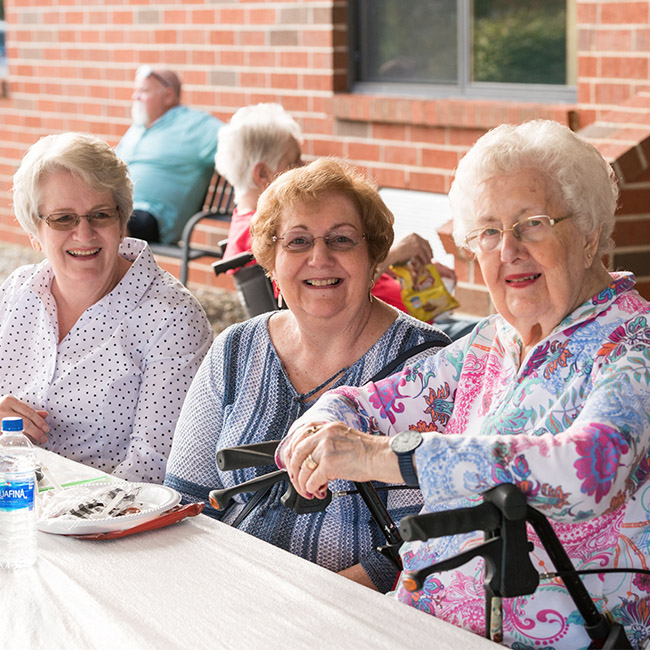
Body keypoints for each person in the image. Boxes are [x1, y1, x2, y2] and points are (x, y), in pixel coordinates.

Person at [278, 121, 650, 649]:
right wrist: (323, 421)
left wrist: (390, 457)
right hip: (424, 620)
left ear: (589, 233)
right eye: (489, 232)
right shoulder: (491, 342)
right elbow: (369, 402)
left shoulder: (634, 342)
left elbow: (589, 467)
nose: (510, 250)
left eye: (533, 224)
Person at [165, 157, 450, 593]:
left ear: (374, 257)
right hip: (230, 592)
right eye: (298, 241)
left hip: (360, 612)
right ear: (271, 262)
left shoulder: (424, 364)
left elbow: (418, 539)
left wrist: (303, 608)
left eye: (341, 239)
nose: (320, 257)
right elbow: (188, 499)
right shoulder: (235, 349)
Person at [1, 132, 212, 483]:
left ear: (122, 221)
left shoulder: (172, 319)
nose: (84, 234)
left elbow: (154, 468)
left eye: (100, 215)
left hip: (102, 524)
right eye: (63, 219)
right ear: (34, 231)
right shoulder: (17, 291)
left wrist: (58, 503)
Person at [215, 102, 457, 316]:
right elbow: (315, 292)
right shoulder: (265, 232)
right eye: (294, 161)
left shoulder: (246, 225)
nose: (303, 168)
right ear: (263, 174)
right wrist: (395, 253)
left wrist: (400, 266)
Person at [116, 66, 223, 245]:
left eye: (143, 91)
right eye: (136, 90)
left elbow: (239, 141)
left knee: (106, 222)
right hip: (120, 207)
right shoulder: (138, 128)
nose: (136, 97)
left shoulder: (196, 126)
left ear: (168, 95)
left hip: (153, 215)